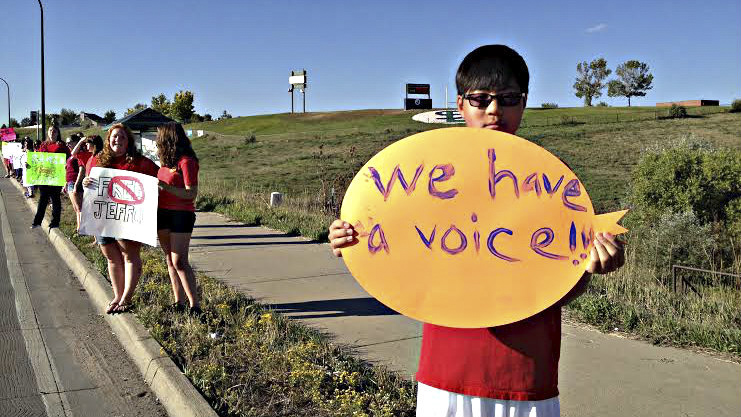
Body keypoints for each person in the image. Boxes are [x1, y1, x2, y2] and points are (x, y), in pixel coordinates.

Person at [328, 45, 626, 417]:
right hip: (446, 375)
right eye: (481, 99)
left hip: (527, 378)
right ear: (460, 103)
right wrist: (352, 239)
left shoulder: (552, 181)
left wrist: (595, 264)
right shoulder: (427, 171)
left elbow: (561, 285)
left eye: (508, 99)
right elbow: (393, 239)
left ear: (524, 102)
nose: (494, 111)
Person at [82, 124, 158, 314]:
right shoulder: (98, 160)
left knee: (130, 256)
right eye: (115, 136)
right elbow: (89, 185)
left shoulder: (140, 163)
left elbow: (158, 177)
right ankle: (117, 295)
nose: (118, 140)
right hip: (103, 219)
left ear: (129, 141)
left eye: (122, 137)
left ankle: (126, 298)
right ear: (108, 140)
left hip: (128, 219)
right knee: (112, 258)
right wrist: (85, 183)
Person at [155, 122, 202, 315]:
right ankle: (179, 302)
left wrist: (165, 187)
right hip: (162, 212)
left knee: (180, 261)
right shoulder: (166, 163)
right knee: (169, 260)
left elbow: (191, 193)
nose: (157, 141)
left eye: (159, 137)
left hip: (181, 214)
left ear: (168, 138)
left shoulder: (186, 161)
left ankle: (195, 306)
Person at [31, 125, 70, 229]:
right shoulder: (43, 145)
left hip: (56, 176)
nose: (52, 132)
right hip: (44, 176)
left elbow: (69, 159)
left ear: (58, 133)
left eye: (54, 131)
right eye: (50, 130)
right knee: (42, 199)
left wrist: (65, 166)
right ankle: (37, 222)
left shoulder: (62, 146)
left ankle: (55, 222)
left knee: (55, 199)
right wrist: (30, 164)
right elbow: (37, 159)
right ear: (48, 132)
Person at [66, 134, 94, 232]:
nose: (68, 144)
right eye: (67, 143)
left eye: (70, 142)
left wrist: (77, 184)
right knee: (76, 208)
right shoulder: (75, 153)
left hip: (78, 182)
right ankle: (79, 228)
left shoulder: (82, 152)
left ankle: (82, 229)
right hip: (70, 182)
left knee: (80, 208)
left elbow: (82, 169)